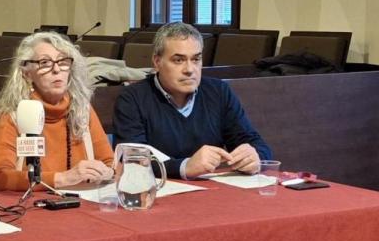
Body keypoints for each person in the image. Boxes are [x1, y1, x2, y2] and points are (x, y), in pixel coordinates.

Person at [113, 23, 271, 179]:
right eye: (178, 60)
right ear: (157, 62)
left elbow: (256, 144)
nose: (189, 69)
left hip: (213, 193)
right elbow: (132, 161)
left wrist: (254, 156)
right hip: (160, 194)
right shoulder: (132, 98)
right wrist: (185, 167)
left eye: (196, 59)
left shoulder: (219, 92)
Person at [0, 32, 114, 191]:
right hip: (33, 209)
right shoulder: (13, 115)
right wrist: (63, 179)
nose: (56, 69)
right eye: (45, 63)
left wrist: (106, 173)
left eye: (62, 61)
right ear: (27, 74)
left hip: (82, 204)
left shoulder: (82, 109)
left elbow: (110, 163)